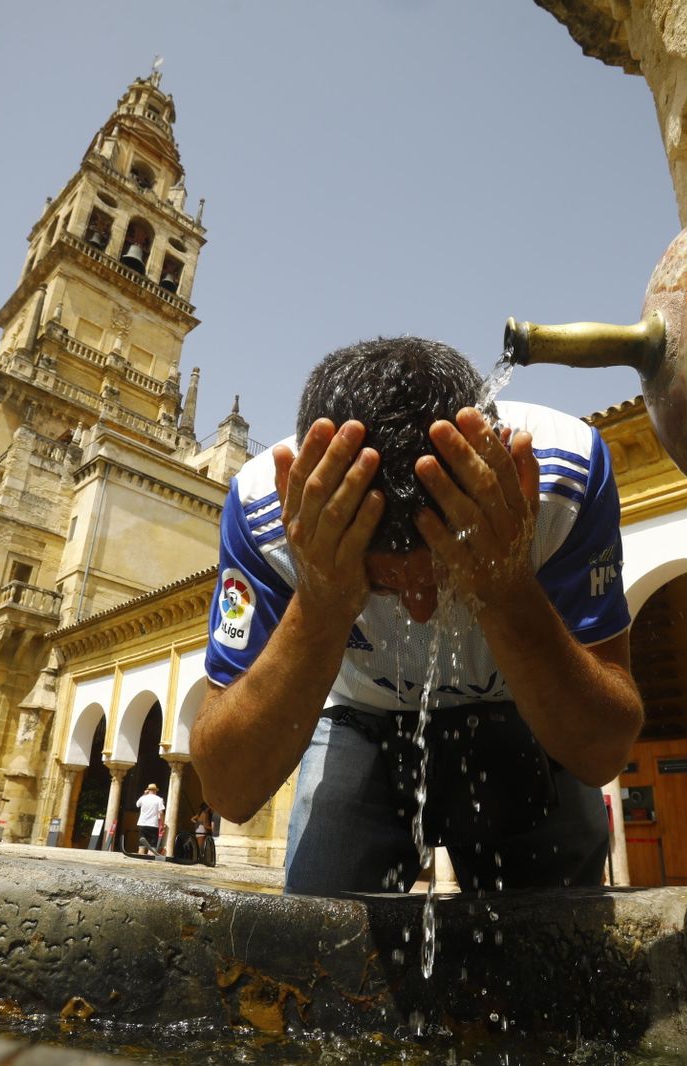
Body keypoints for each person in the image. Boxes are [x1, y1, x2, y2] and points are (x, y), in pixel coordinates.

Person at [191, 336, 643, 895]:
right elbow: (229, 789)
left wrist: (507, 589)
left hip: (524, 711)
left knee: (559, 939)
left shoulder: (558, 484)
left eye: (445, 576)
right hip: (362, 717)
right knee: (322, 938)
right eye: (382, 587)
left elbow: (602, 752)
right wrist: (321, 601)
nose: (422, 611)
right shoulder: (268, 512)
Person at [133, 783, 165, 856]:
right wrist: (162, 824)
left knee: (141, 844)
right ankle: (150, 860)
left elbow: (137, 805)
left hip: (142, 824)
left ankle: (140, 858)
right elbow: (161, 813)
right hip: (153, 825)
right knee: (153, 845)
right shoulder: (159, 799)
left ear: (148, 790)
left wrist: (144, 794)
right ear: (155, 791)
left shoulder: (143, 798)